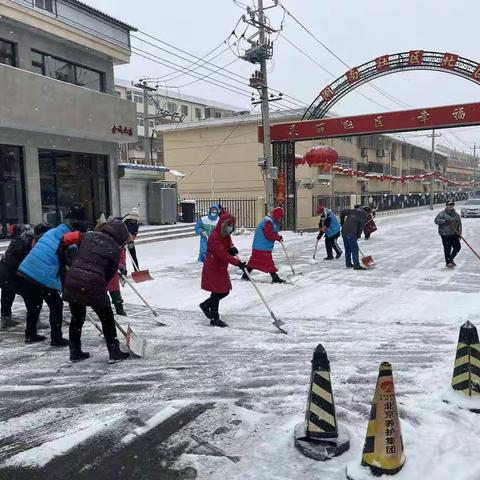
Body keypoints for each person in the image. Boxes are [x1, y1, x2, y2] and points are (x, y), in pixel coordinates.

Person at [63, 219, 131, 362]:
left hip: (73, 281)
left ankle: (74, 352)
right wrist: (98, 285)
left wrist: (65, 258)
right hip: (94, 284)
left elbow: (67, 239)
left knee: (77, 318)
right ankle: (114, 352)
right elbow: (110, 272)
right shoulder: (115, 249)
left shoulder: (88, 236)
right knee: (107, 319)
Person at [17, 222, 75, 345]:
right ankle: (56, 338)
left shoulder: (50, 232)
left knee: (34, 306)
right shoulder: (68, 241)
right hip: (43, 276)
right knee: (56, 305)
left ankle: (30, 334)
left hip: (27, 272)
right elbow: (70, 262)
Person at [0, 223, 52, 329]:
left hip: (5, 266)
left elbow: (15, 229)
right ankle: (35, 322)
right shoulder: (34, 239)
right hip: (16, 270)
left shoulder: (24, 231)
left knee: (7, 291)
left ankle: (5, 318)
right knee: (32, 295)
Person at [199, 213, 246, 328]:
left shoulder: (225, 235)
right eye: (229, 225)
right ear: (223, 225)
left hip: (221, 268)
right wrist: (237, 263)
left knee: (224, 291)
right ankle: (215, 319)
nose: (231, 227)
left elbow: (227, 248)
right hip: (213, 268)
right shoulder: (214, 237)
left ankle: (205, 305)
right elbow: (222, 254)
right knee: (217, 292)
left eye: (232, 225)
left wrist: (232, 249)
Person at [241, 207, 286, 284]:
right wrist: (277, 237)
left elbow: (273, 231)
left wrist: (278, 236)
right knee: (268, 262)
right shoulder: (268, 221)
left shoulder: (272, 221)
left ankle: (245, 275)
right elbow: (268, 235)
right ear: (277, 215)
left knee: (254, 261)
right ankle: (275, 278)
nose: (280, 219)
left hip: (260, 245)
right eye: (280, 217)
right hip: (262, 246)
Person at [434, 200, 462, 268]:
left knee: (457, 247)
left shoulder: (456, 214)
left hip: (454, 234)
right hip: (445, 234)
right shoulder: (442, 214)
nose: (451, 206)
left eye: (452, 205)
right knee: (447, 248)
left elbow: (459, 224)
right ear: (446, 205)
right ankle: (448, 262)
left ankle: (451, 259)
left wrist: (459, 232)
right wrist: (445, 221)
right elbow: (436, 221)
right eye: (449, 205)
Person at [340, 206, 368, 270]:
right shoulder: (364, 216)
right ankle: (356, 265)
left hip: (344, 231)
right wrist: (357, 236)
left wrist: (342, 222)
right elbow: (361, 228)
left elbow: (342, 212)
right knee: (354, 250)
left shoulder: (352, 210)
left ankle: (348, 263)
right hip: (351, 233)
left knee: (348, 249)